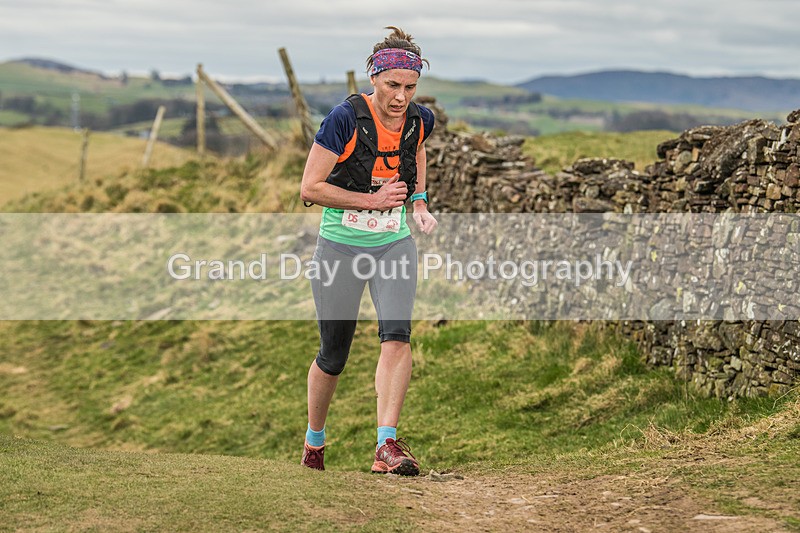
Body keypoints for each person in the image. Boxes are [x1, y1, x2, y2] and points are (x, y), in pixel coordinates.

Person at [299, 26, 437, 476]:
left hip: (393, 243)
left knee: (397, 335)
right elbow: (310, 187)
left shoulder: (420, 120)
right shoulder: (343, 119)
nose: (401, 97)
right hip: (340, 246)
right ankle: (314, 441)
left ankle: (386, 445)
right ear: (373, 77)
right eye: (392, 85)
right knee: (333, 355)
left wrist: (417, 200)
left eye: (410, 87)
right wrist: (371, 201)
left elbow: (415, 152)